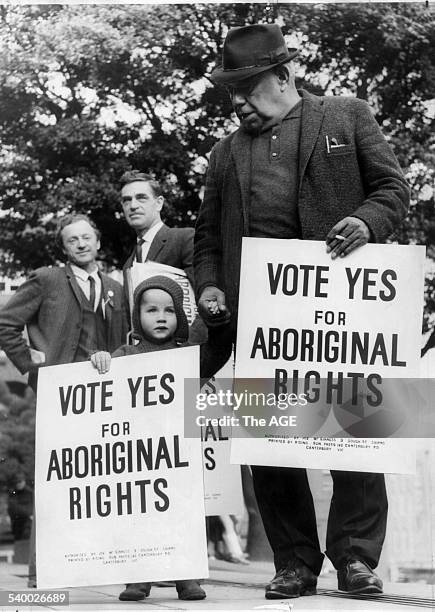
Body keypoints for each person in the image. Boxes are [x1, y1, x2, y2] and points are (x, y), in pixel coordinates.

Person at [194, 24, 410, 599]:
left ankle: (356, 560)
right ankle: (293, 563)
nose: (237, 102)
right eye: (230, 92)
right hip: (263, 327)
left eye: (246, 88)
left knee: (356, 439)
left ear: (284, 77)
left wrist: (366, 222)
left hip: (342, 322)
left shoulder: (347, 115)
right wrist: (212, 288)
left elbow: (393, 190)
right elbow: (209, 237)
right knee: (271, 447)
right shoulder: (226, 152)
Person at [0, 213, 128, 586]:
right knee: (57, 481)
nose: (81, 244)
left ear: (98, 242)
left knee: (105, 480)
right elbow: (5, 323)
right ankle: (43, 572)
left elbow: (120, 340)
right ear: (65, 248)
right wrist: (29, 367)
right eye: (72, 240)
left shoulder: (115, 289)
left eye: (87, 237)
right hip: (60, 395)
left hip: (105, 397)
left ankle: (103, 564)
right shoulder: (47, 280)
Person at [91, 275, 207, 603]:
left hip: (178, 452)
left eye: (169, 311)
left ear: (180, 317)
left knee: (183, 514)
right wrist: (102, 360)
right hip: (139, 453)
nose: (160, 316)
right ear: (137, 317)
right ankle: (139, 577)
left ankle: (187, 576)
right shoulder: (127, 353)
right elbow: (105, 380)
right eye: (151, 309)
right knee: (138, 515)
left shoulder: (188, 354)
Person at [8, 474, 33, 541]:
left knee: (25, 545)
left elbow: (29, 511)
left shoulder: (30, 493)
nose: (18, 484)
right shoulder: (13, 493)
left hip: (27, 526)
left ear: (24, 481)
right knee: (18, 547)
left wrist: (18, 509)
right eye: (16, 482)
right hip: (16, 526)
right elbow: (11, 509)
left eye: (19, 482)